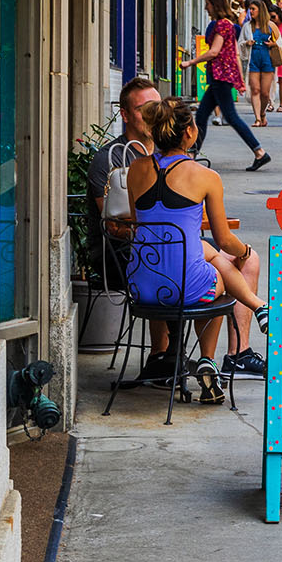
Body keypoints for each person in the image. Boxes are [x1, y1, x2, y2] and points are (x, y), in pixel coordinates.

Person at [125, 97, 271, 403]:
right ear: (190, 132)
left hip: (142, 286)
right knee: (217, 275)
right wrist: (244, 251)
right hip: (186, 289)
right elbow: (225, 238)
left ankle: (257, 308)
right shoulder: (206, 177)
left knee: (205, 254)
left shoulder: (135, 170)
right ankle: (210, 358)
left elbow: (141, 225)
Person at [86, 77, 173, 383]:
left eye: (157, 107)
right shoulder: (109, 161)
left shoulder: (171, 154)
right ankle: (163, 358)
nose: (153, 115)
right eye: (144, 109)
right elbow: (114, 226)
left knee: (235, 262)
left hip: (160, 246)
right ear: (124, 115)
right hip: (116, 255)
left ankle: (227, 357)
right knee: (172, 264)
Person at [184, 0, 270, 171]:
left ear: (215, 5)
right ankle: (191, 154)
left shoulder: (222, 25)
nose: (205, 7)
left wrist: (191, 62)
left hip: (221, 76)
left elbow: (215, 51)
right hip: (221, 76)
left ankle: (260, 152)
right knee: (201, 115)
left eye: (207, 3)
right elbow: (235, 54)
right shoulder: (225, 24)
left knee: (230, 116)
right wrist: (238, 80)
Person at [245, 0, 277, 125]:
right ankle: (257, 118)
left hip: (267, 59)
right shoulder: (248, 26)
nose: (250, 11)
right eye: (250, 9)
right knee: (255, 90)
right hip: (253, 59)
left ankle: (262, 113)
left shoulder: (270, 25)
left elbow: (280, 42)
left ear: (260, 10)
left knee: (264, 92)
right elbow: (240, 43)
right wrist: (246, 43)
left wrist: (273, 44)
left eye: (253, 9)